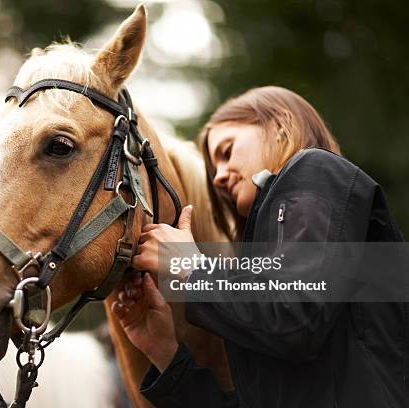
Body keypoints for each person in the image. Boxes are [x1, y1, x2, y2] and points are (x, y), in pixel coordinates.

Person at [112, 86, 408, 408]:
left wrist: (190, 269)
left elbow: (296, 316)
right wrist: (165, 353)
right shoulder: (260, 275)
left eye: (226, 152)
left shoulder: (315, 170)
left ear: (280, 125)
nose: (219, 177)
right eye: (213, 171)